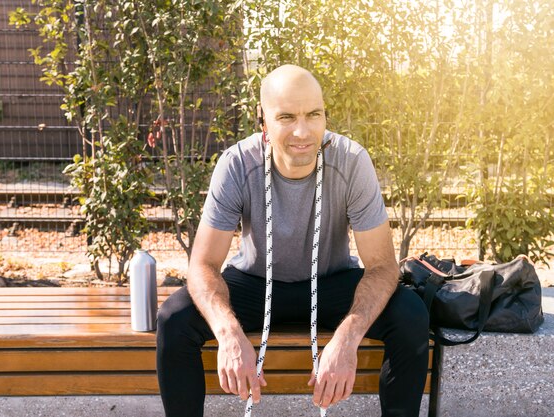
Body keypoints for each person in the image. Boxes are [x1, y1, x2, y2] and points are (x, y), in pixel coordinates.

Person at [156, 64, 429, 417]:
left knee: (410, 314)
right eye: (286, 117)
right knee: (174, 318)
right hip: (257, 282)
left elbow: (382, 267)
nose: (302, 131)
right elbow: (203, 265)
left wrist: (347, 339)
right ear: (264, 123)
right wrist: (228, 335)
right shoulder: (237, 163)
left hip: (330, 281)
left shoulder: (351, 162)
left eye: (313, 115)